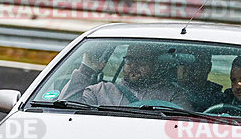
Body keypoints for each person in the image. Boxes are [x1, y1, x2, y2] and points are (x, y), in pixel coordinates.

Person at [60, 44, 194, 110]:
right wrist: (86, 70)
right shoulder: (100, 90)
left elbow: (184, 128)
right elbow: (66, 109)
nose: (134, 65)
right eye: (129, 60)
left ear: (156, 65)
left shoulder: (174, 96)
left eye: (142, 61)